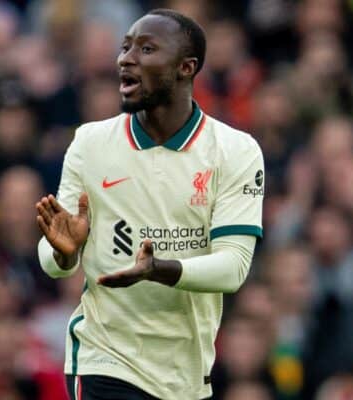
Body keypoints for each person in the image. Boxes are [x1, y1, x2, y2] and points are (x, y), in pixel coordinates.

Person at [35, 9, 264, 400]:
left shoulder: (234, 150)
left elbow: (233, 268)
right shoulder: (90, 143)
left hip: (186, 375)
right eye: (125, 47)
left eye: (146, 48)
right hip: (103, 360)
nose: (126, 58)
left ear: (186, 68)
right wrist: (62, 255)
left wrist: (159, 270)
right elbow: (52, 259)